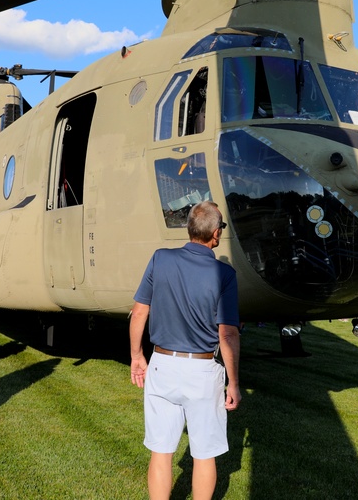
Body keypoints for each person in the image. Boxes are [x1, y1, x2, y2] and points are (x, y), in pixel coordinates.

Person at [129, 201, 241, 500]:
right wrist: (234, 382)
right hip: (203, 371)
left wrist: (136, 356)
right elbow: (227, 332)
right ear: (216, 234)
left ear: (189, 227)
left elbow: (139, 313)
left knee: (161, 452)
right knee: (204, 454)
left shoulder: (160, 259)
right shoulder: (225, 274)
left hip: (162, 364)